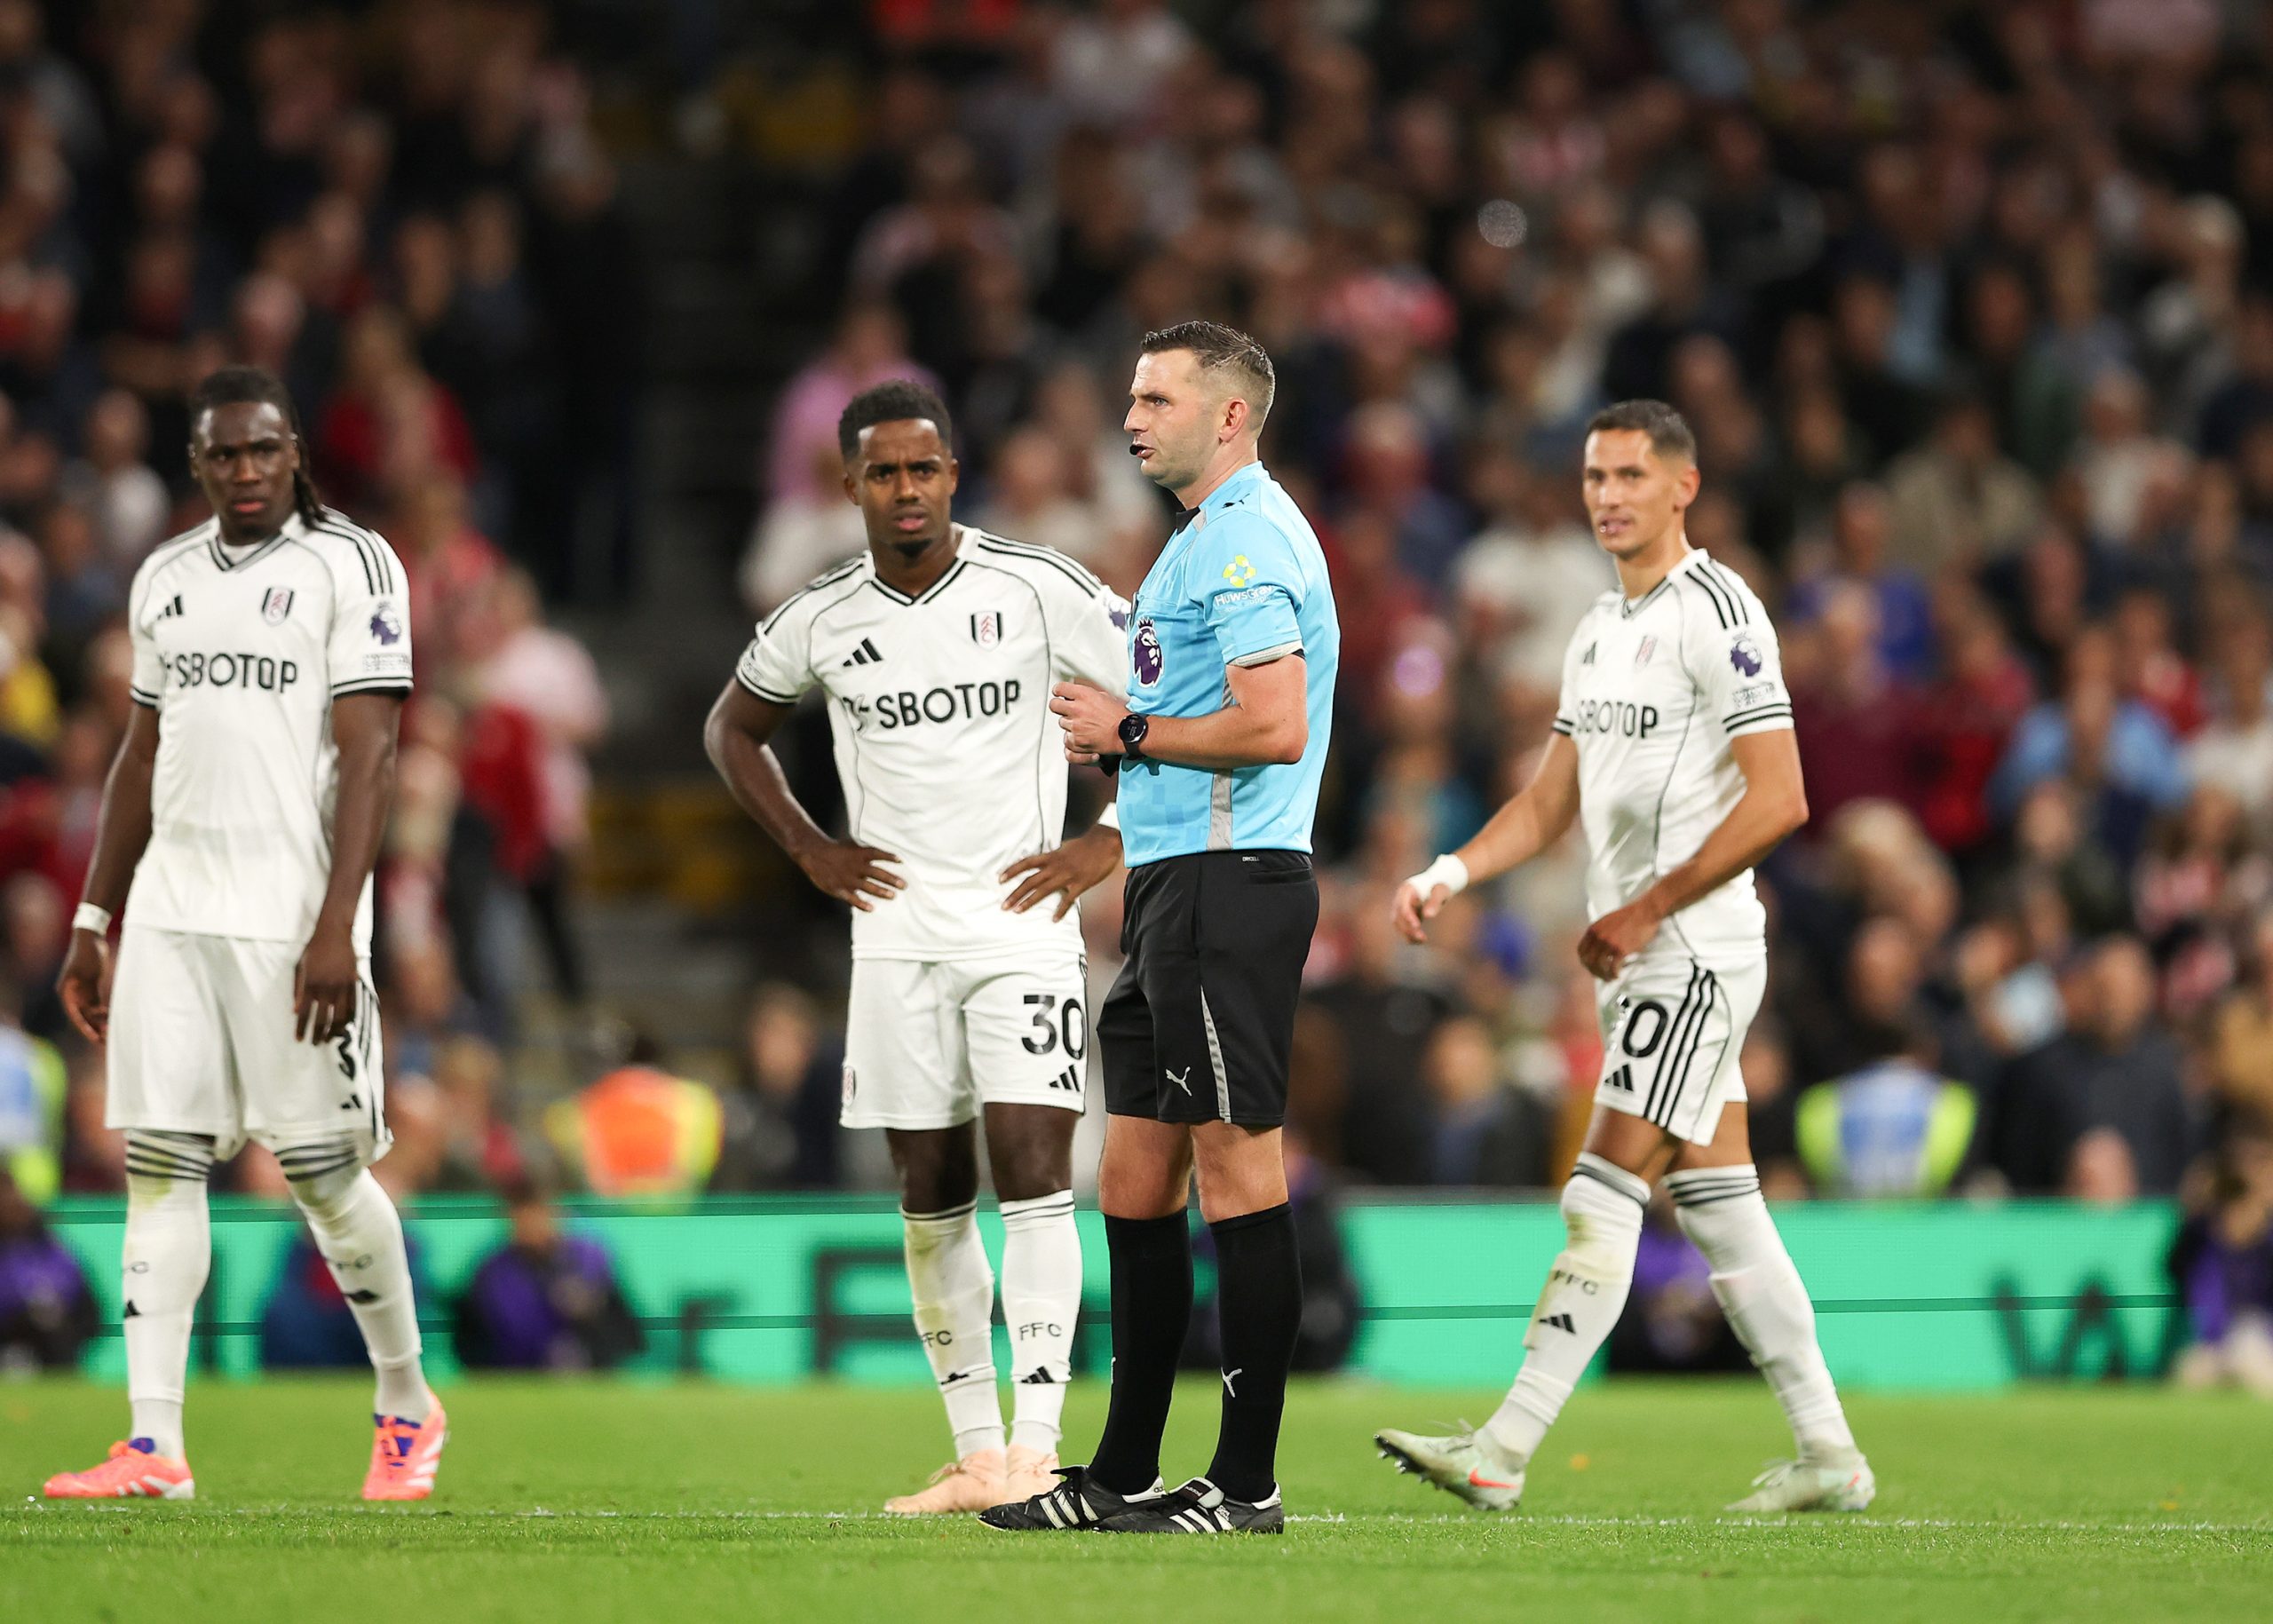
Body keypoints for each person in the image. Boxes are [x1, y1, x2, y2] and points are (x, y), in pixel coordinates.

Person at [1374, 400, 1873, 1516]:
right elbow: (1551, 797)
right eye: (1595, 476)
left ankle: (1501, 1448)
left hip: (1691, 948)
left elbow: (1782, 795)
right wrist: (1452, 871)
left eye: (1630, 476)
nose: (1606, 495)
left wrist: (1648, 907)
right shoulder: (1598, 626)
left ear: (1682, 487)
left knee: (1599, 1194)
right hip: (1650, 954)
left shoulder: (1719, 610)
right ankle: (1829, 1451)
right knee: (1720, 1200)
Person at [705, 378, 1128, 1514]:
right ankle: (975, 1454)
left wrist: (1108, 840)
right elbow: (731, 728)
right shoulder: (823, 613)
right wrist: (809, 847)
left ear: (955, 474)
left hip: (1021, 928)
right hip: (893, 939)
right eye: (883, 470)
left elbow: (1169, 692)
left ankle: (1037, 1448)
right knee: (928, 1190)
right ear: (849, 484)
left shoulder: (1037, 586)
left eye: (924, 468)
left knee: (1036, 1175)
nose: (906, 488)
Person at [41, 367, 443, 1503]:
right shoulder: (164, 576)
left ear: (295, 450)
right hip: (171, 902)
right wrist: (92, 914)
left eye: (264, 449)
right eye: (224, 455)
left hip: (290, 909)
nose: (246, 470)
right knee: (158, 1160)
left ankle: (408, 1401)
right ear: (199, 465)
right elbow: (139, 755)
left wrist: (335, 927)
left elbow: (370, 754)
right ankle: (154, 1444)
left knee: (321, 1171)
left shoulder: (352, 563)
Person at [985, 321, 1339, 1537]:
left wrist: (1126, 730)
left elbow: (1273, 722)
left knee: (1238, 1162)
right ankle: (1126, 1469)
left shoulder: (1243, 544)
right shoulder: (1203, 541)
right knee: (1135, 1172)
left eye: (1158, 398)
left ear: (1230, 416)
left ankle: (1247, 1484)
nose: (1133, 417)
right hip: (1175, 885)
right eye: (1132, 396)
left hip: (1233, 885)